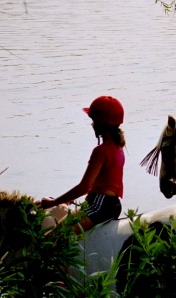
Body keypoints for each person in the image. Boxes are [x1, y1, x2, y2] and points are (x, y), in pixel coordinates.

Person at [40, 96, 126, 233]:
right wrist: (68, 199)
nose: (92, 125)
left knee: (49, 240)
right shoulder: (118, 148)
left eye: (93, 121)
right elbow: (102, 182)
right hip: (113, 204)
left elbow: (84, 187)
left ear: (100, 123)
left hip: (99, 204)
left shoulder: (101, 151)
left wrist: (52, 203)